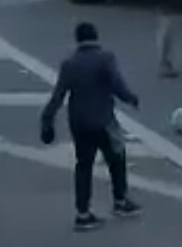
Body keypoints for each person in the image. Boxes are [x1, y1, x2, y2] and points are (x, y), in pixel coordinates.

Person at [39, 22, 142, 231]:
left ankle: (83, 213)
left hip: (79, 122)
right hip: (103, 119)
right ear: (96, 37)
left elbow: (57, 96)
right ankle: (120, 201)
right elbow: (116, 84)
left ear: (77, 40)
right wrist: (131, 98)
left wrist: (47, 121)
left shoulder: (70, 64)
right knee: (117, 157)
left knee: (83, 165)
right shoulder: (106, 58)